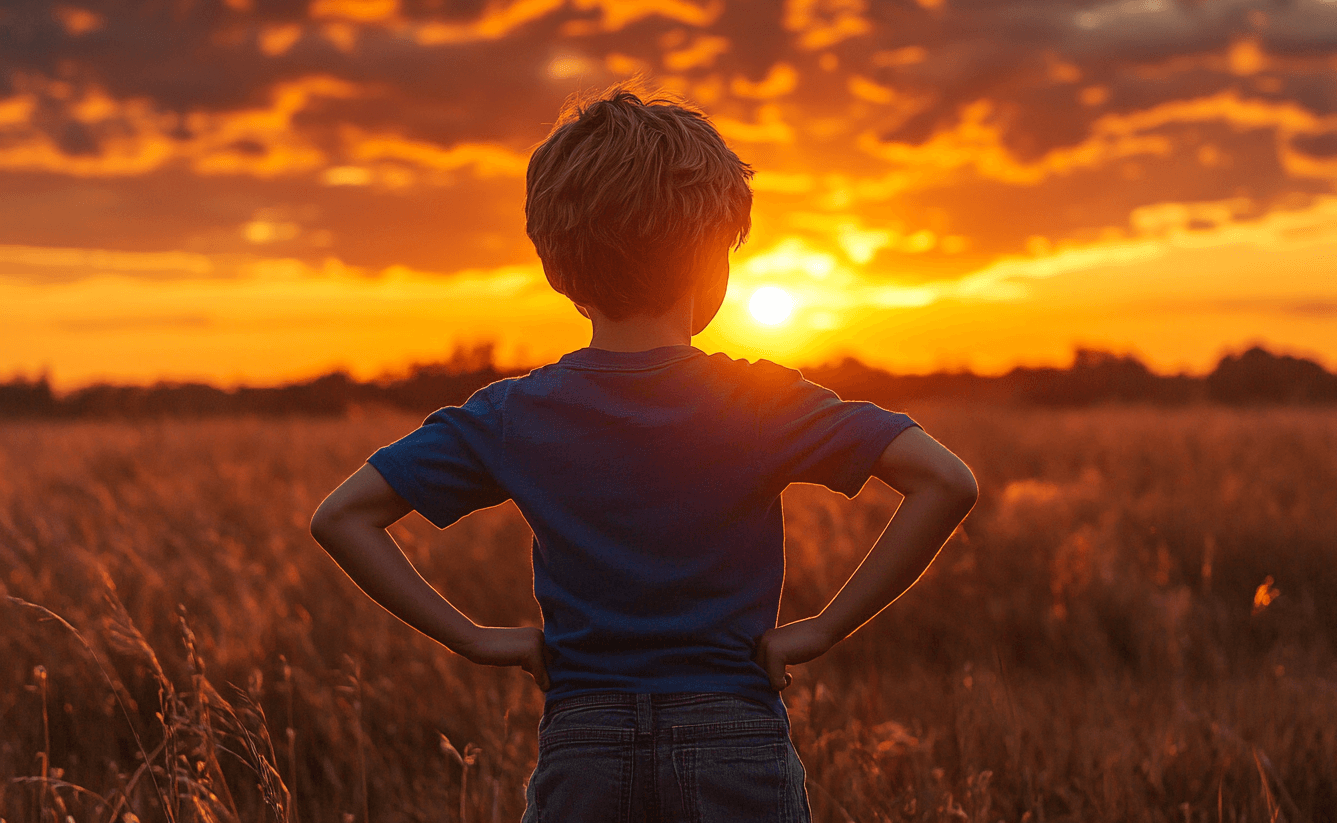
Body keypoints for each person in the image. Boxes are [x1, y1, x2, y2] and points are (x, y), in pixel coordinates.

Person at [310, 86, 978, 822]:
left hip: (583, 741)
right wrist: (823, 628)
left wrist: (474, 639)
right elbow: (945, 481)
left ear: (559, 267)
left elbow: (343, 517)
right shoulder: (758, 402)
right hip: (736, 736)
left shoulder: (513, 415)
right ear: (710, 261)